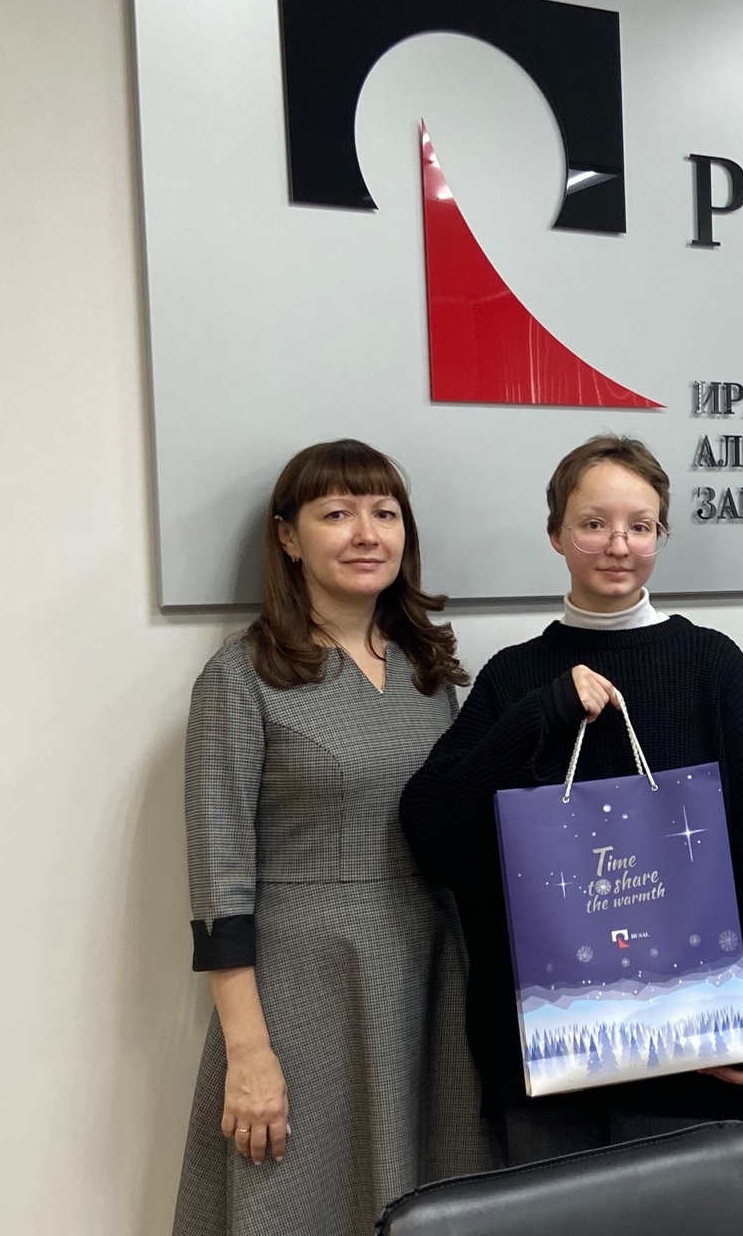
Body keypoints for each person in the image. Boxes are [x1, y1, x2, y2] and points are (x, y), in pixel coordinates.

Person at [399, 434, 743, 1166]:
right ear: (556, 533)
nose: (618, 545)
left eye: (640, 525)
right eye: (594, 524)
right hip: (549, 1059)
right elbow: (437, 836)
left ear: (662, 533)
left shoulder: (709, 663)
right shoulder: (514, 677)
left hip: (695, 1051)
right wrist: (541, 714)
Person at [173, 440, 492, 1236]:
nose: (366, 534)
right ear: (289, 537)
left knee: (433, 1197)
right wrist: (249, 1053)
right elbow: (219, 882)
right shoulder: (241, 678)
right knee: (302, 1201)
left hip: (432, 973)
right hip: (306, 990)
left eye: (385, 513)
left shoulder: (429, 672)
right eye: (337, 513)